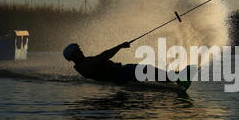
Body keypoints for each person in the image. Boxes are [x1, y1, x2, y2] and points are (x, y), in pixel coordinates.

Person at [63, 42, 191, 87]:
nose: (81, 50)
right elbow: (103, 56)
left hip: (121, 73)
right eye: (78, 50)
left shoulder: (82, 64)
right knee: (146, 70)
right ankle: (178, 79)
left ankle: (176, 79)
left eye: (79, 49)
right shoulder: (83, 65)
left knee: (147, 71)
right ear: (74, 55)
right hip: (120, 74)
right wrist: (120, 46)